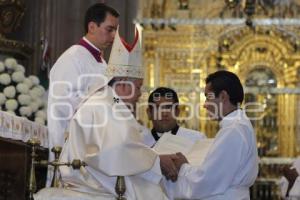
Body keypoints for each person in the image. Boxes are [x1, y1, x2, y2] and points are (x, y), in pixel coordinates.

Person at [35, 27, 178, 200]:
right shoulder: (102, 105)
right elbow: (116, 150)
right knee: (155, 193)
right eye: (139, 87)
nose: (140, 94)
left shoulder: (112, 102)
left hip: (100, 177)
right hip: (92, 183)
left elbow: (126, 142)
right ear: (124, 83)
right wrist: (156, 161)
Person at [164, 70, 259, 200]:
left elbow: (207, 181)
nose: (205, 105)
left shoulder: (233, 130)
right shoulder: (239, 124)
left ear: (223, 96)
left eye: (208, 97)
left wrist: (183, 166)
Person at [47, 3, 119, 152]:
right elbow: (63, 103)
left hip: (96, 140)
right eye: (110, 30)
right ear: (92, 27)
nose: (114, 36)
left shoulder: (102, 63)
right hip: (72, 143)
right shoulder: (73, 57)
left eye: (115, 31)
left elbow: (108, 97)